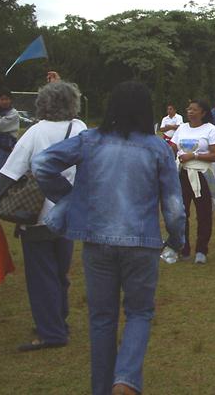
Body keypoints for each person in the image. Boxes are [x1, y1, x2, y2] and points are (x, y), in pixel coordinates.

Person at [32, 81, 185, 395]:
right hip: (142, 243)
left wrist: (70, 198)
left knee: (101, 318)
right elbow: (174, 207)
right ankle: (125, 380)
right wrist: (177, 239)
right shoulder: (158, 148)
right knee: (140, 312)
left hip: (97, 240)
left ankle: (102, 388)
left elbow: (41, 164)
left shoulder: (90, 140)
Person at [0, 81, 87, 352]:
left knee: (41, 275)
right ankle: (59, 321)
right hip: (70, 212)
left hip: (37, 214)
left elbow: (9, 173)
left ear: (42, 104)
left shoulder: (35, 132)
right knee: (60, 273)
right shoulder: (80, 128)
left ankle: (51, 332)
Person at [170, 99, 215, 264]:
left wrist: (195, 155)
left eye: (194, 109)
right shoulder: (182, 128)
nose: (190, 111)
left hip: (202, 175)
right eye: (188, 109)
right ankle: (182, 247)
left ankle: (201, 250)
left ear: (203, 113)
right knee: (180, 213)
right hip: (183, 174)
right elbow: (172, 146)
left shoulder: (210, 129)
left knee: (204, 214)